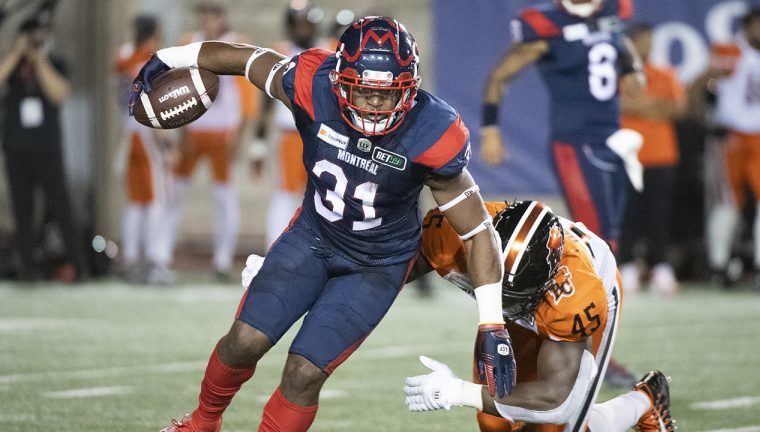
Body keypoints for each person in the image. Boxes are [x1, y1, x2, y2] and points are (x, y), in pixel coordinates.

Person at [130, 16, 512, 432]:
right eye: (364, 91)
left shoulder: (433, 130)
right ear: (340, 78)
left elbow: (477, 232)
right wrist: (167, 57)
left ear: (410, 89)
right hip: (313, 236)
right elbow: (243, 58)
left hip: (376, 264)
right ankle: (202, 422)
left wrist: (492, 323)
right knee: (244, 342)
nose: (374, 106)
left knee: (303, 372)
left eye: (388, 95)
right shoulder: (312, 83)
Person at [479, 0, 644, 389]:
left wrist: (634, 66)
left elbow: (620, 41)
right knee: (598, 248)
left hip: (612, 140)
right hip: (575, 143)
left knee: (610, 243)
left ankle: (586, 347)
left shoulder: (614, 12)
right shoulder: (544, 25)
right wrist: (490, 130)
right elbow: (498, 76)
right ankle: (587, 351)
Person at [401, 200, 676, 432]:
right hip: (524, 303)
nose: (503, 299)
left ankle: (645, 401)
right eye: (497, 288)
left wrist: (456, 391)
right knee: (494, 423)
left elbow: (556, 400)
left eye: (514, 294)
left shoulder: (573, 297)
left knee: (556, 425)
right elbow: (389, 273)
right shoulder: (456, 234)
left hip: (589, 284)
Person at [159, 1, 259, 281]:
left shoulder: (235, 44)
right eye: (202, 16)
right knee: (174, 193)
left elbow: (247, 96)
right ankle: (161, 254)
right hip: (194, 129)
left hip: (222, 131)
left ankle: (222, 259)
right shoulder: (188, 43)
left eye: (211, 16)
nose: (206, 21)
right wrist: (180, 130)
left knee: (224, 197)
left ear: (221, 18)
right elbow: (177, 89)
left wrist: (239, 133)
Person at [0, 16, 86, 281]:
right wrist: (17, 54)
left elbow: (60, 93)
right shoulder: (12, 66)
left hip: (47, 148)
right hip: (16, 148)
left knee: (61, 207)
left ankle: (78, 268)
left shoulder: (55, 62)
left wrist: (39, 60)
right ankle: (25, 267)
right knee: (22, 210)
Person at [618, 23, 687, 296]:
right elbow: (619, 104)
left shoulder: (664, 74)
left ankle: (660, 268)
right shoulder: (618, 75)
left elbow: (678, 109)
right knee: (627, 217)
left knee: (658, 216)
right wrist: (654, 106)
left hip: (660, 156)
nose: (646, 46)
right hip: (627, 156)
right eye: (641, 41)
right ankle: (627, 267)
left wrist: (639, 105)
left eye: (649, 40)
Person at [702, 7, 760, 290]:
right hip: (731, 136)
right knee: (728, 203)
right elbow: (710, 84)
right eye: (758, 25)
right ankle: (719, 263)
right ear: (747, 26)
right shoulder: (729, 49)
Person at [255, 1, 325, 248]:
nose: (303, 29)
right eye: (298, 24)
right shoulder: (280, 53)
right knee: (285, 195)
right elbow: (265, 103)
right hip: (291, 136)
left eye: (307, 22)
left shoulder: (330, 51)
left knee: (325, 198)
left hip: (325, 137)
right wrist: (258, 144)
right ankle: (272, 252)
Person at [114, 14, 174, 284]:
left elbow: (120, 96)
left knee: (136, 202)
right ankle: (155, 260)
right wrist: (167, 142)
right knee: (156, 201)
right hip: (148, 134)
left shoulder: (123, 56)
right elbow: (157, 103)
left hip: (129, 133)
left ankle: (130, 258)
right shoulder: (154, 59)